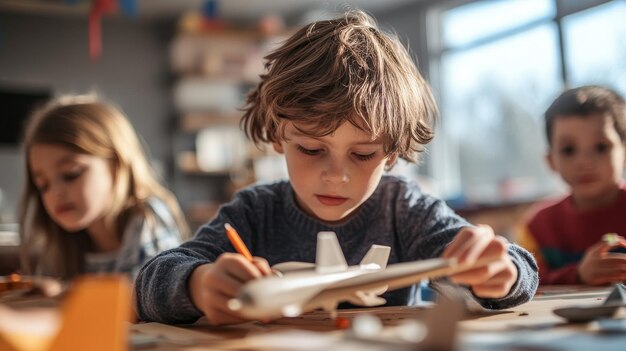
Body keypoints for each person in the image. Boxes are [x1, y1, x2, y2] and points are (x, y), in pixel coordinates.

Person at [135, 10, 538, 325]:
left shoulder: (405, 209)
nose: (335, 175)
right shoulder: (255, 212)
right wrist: (198, 284)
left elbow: (518, 274)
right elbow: (150, 281)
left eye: (362, 155)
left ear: (392, 153)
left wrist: (500, 272)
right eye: (311, 149)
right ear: (279, 137)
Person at [19, 94, 189, 280]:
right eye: (43, 185)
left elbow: (159, 294)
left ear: (117, 165)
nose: (55, 193)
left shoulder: (148, 217)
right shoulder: (61, 244)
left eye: (71, 174)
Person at [517, 85, 626, 285]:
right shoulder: (538, 227)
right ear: (551, 161)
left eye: (601, 147)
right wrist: (578, 274)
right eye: (569, 150)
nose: (584, 162)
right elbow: (526, 285)